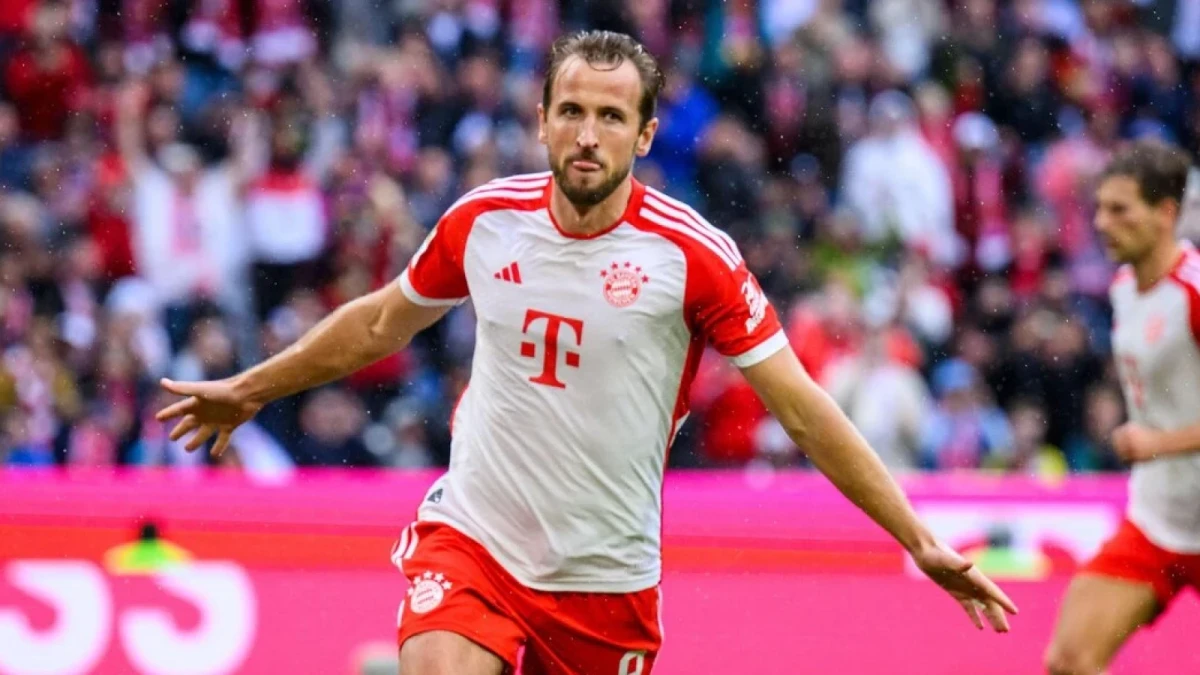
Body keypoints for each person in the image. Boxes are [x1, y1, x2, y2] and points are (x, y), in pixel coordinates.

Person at [156, 31, 1016, 675]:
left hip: (604, 578)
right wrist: (251, 389)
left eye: (611, 117)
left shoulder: (693, 256)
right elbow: (382, 322)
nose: (587, 135)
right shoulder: (484, 221)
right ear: (542, 120)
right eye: (571, 111)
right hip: (477, 540)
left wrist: (917, 536)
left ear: (644, 137)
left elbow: (801, 406)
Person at [1044, 139, 1200, 675]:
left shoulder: (1194, 292)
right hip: (1159, 520)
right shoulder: (1122, 290)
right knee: (1069, 660)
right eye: (1098, 208)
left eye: (1119, 209)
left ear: (1165, 213)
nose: (1102, 222)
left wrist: (1158, 442)